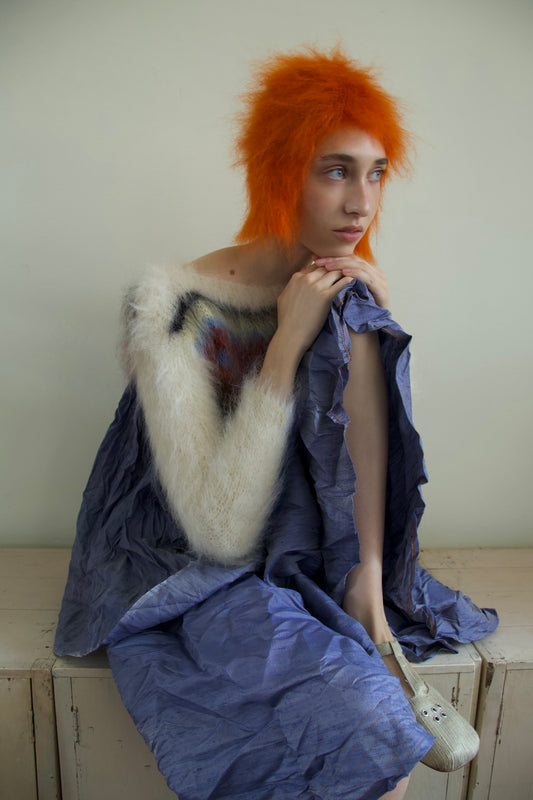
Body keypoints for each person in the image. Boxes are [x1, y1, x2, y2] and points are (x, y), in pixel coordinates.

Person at [55, 47, 498, 800]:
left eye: (376, 173)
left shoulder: (343, 288)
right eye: (336, 171)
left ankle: (362, 609)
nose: (361, 203)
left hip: (305, 540)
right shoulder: (177, 305)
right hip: (180, 561)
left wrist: (376, 330)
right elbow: (217, 528)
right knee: (358, 728)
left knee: (358, 325)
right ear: (280, 172)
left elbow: (363, 455)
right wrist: (287, 345)